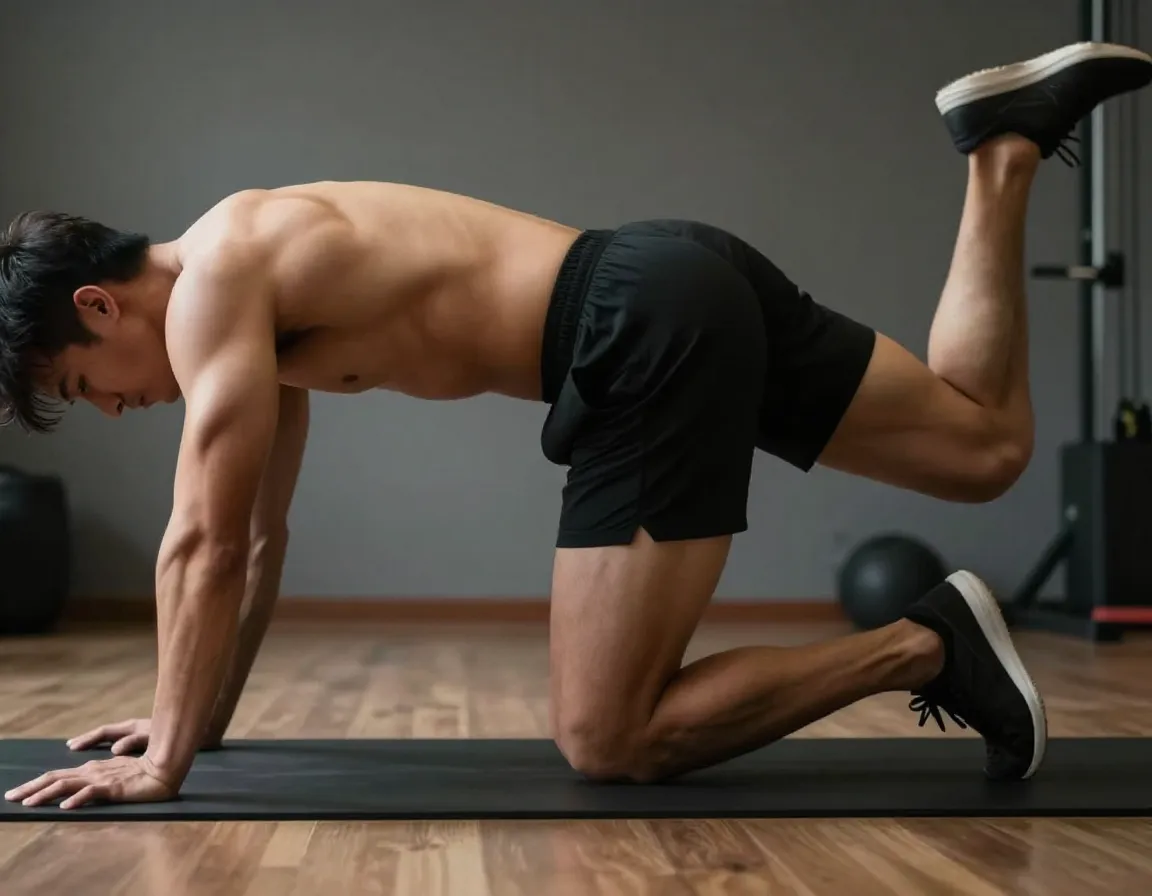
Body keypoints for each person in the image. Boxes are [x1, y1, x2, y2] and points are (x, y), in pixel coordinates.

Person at [3, 41, 1150, 811]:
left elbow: (197, 540)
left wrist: (165, 764)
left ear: (99, 305)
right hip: (674, 271)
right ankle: (1001, 152)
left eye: (86, 380)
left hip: (633, 328)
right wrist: (180, 719)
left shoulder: (210, 286)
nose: (113, 406)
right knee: (983, 445)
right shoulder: (248, 276)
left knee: (608, 736)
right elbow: (252, 542)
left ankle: (929, 641)